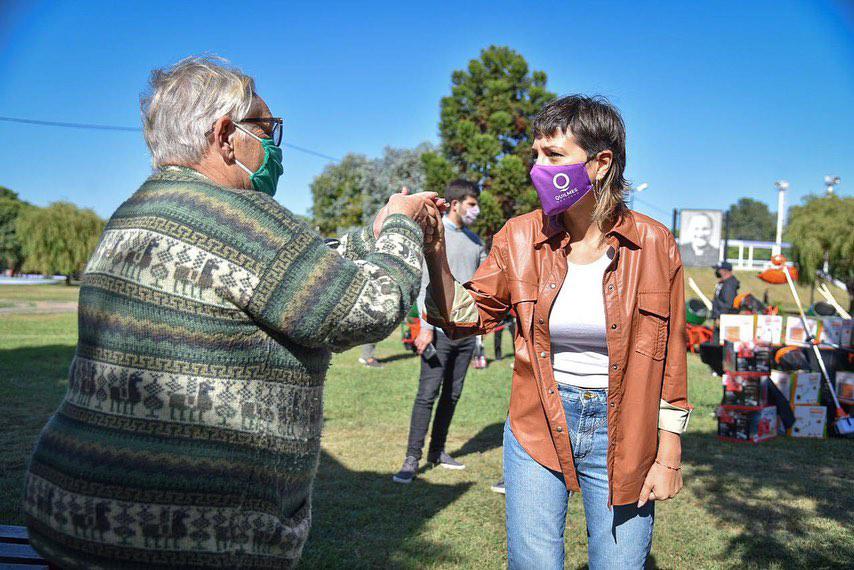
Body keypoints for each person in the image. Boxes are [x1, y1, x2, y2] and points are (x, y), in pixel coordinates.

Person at [22, 56, 443, 569]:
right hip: (188, 541)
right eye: (266, 128)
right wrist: (402, 227)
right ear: (225, 134)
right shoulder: (241, 218)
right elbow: (370, 308)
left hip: (67, 516)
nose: (272, 144)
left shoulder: (135, 212)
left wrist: (370, 236)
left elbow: (287, 274)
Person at [425, 95, 691, 568]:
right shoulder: (519, 236)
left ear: (600, 163)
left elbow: (671, 358)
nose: (537, 168)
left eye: (553, 156)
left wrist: (668, 451)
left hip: (626, 430)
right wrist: (434, 252)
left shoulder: (654, 244)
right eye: (536, 155)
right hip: (537, 423)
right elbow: (468, 315)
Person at [393, 179, 486, 483]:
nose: (476, 210)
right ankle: (411, 458)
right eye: (472, 204)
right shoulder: (434, 235)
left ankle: (438, 451)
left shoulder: (476, 242)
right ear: (456, 203)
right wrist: (425, 327)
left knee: (453, 394)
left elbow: (480, 293)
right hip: (437, 333)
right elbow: (423, 284)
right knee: (427, 394)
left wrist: (481, 341)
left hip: (467, 336)